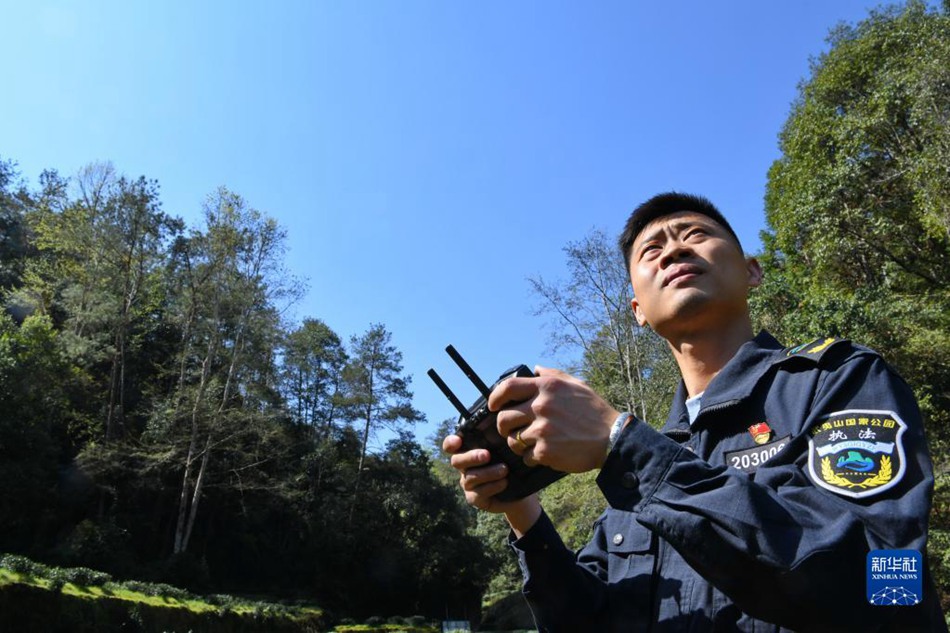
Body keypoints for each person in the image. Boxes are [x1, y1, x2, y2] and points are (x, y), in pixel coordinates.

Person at [443, 192, 946, 631]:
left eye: (696, 234)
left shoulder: (841, 381)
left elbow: (887, 582)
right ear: (637, 310)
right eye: (652, 251)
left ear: (752, 271)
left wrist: (623, 444)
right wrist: (522, 513)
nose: (675, 250)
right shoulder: (634, 477)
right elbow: (585, 620)